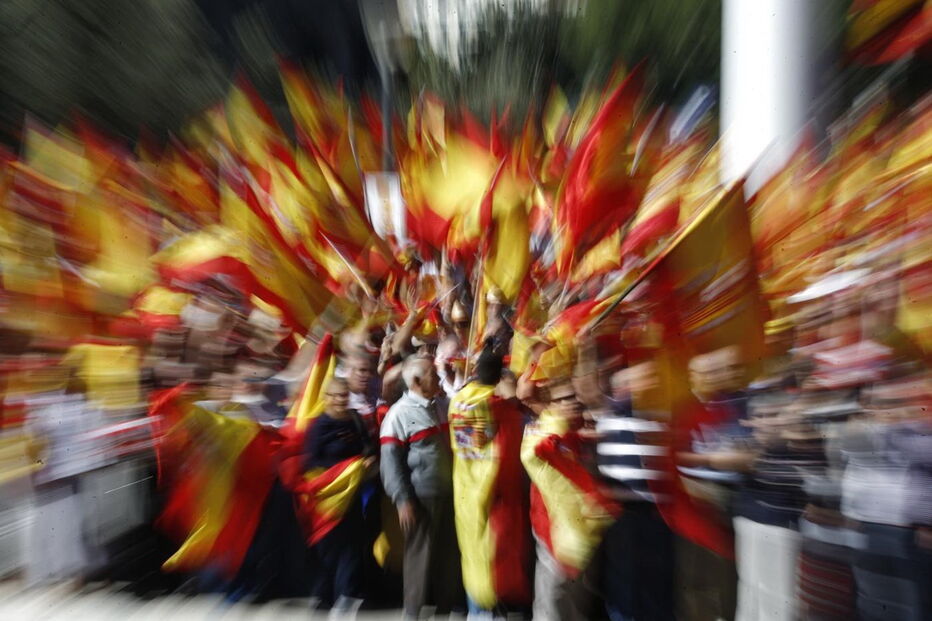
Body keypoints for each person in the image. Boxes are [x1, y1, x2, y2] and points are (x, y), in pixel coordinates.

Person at [521, 378, 618, 621]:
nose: (571, 402)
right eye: (563, 398)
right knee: (554, 595)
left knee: (579, 595)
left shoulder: (581, 432)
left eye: (573, 396)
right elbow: (536, 452)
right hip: (552, 527)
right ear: (549, 404)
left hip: (584, 529)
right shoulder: (541, 432)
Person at [448, 341, 531, 616]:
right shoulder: (500, 408)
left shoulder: (457, 401)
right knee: (492, 559)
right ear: (498, 376)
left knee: (473, 556)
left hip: (466, 490)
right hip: (493, 493)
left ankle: (478, 611)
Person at [591, 361, 677, 621]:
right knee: (626, 584)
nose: (652, 382)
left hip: (657, 516)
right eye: (645, 378)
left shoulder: (660, 419)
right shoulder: (609, 421)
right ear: (624, 388)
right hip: (625, 516)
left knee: (657, 582)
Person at [380, 356, 464, 619]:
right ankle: (412, 612)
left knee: (448, 554)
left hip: (451, 493)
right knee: (420, 556)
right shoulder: (399, 415)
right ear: (416, 381)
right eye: (432, 374)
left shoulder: (440, 405)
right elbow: (390, 464)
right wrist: (403, 500)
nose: (438, 378)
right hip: (421, 498)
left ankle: (446, 607)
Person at [304, 377, 373, 616]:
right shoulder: (319, 426)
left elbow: (367, 446)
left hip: (353, 496)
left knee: (352, 548)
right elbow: (311, 461)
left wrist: (366, 460)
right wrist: (337, 473)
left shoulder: (355, 419)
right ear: (326, 398)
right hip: (329, 500)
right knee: (329, 550)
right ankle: (324, 597)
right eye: (335, 396)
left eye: (344, 395)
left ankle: (347, 597)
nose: (340, 400)